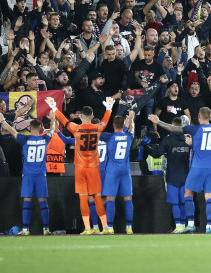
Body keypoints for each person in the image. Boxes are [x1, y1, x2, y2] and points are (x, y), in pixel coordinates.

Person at [149, 107, 211, 234]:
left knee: (188, 194)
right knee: (209, 196)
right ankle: (208, 227)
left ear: (199, 117)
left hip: (197, 168)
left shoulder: (194, 129)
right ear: (210, 116)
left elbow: (174, 129)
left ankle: (190, 224)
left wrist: (158, 121)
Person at [51, 96, 115, 235]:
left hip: (80, 168)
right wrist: (108, 108)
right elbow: (105, 120)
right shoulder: (98, 128)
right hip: (93, 168)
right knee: (97, 197)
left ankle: (87, 228)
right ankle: (105, 227)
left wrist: (54, 108)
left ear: (80, 116)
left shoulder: (76, 128)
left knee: (83, 198)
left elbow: (64, 120)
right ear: (92, 116)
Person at [0, 112, 54, 235]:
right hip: (41, 175)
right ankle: (46, 229)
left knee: (27, 201)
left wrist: (3, 121)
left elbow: (12, 131)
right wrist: (53, 117)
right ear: (40, 127)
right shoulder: (45, 138)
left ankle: (25, 229)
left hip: (28, 175)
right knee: (43, 202)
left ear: (29, 128)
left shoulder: (25, 139)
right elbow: (52, 129)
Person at [144, 117, 192, 233]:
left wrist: (145, 146)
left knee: (175, 203)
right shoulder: (189, 139)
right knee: (183, 202)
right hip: (186, 176)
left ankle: (179, 226)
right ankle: (186, 225)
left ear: (172, 126)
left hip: (172, 176)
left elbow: (156, 153)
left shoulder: (168, 139)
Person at [101, 112, 135, 234]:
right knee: (128, 199)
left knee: (110, 198)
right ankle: (129, 227)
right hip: (125, 171)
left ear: (114, 125)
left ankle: (110, 227)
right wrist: (130, 119)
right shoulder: (129, 137)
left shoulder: (108, 136)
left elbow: (98, 131)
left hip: (112, 171)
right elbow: (130, 129)